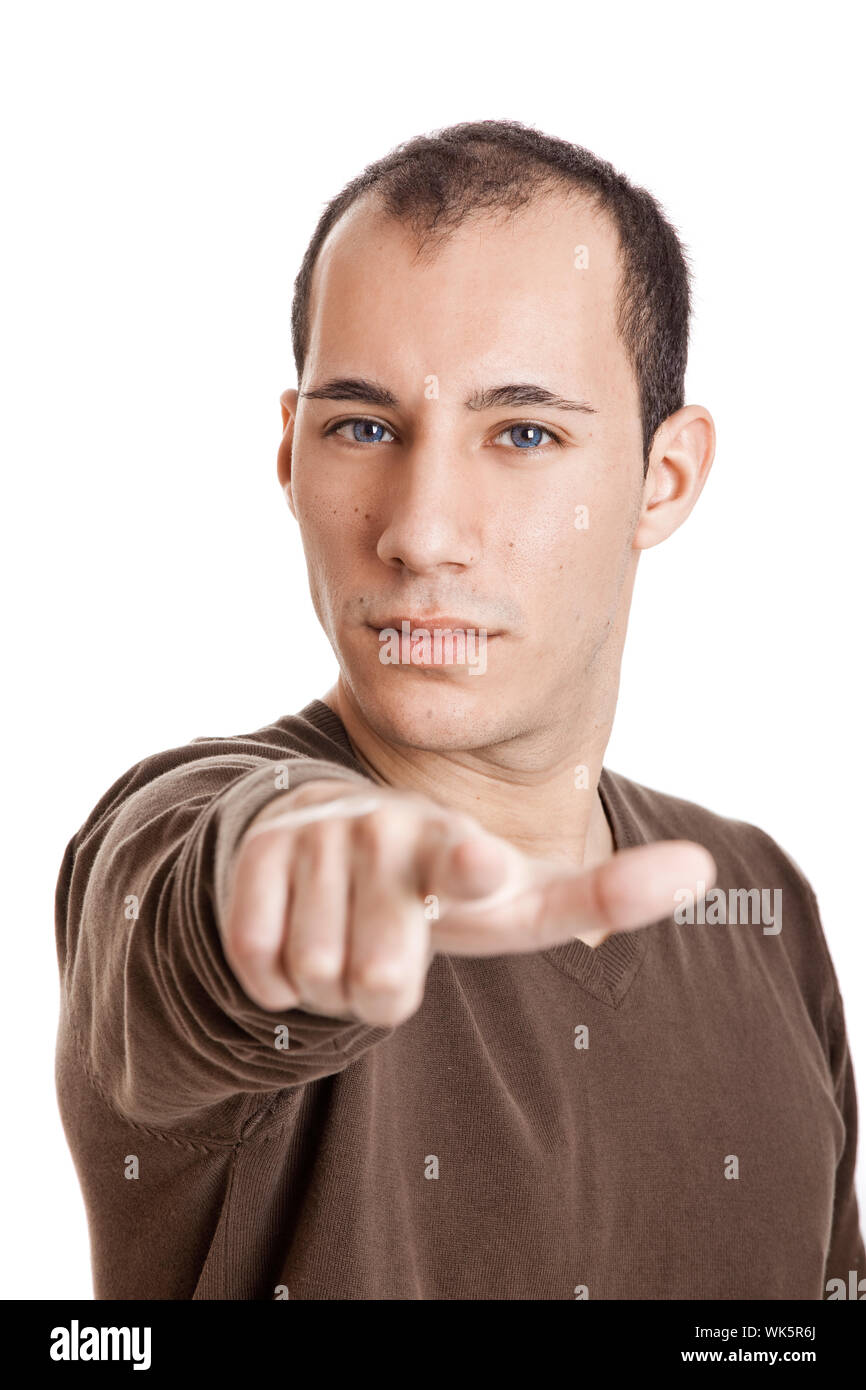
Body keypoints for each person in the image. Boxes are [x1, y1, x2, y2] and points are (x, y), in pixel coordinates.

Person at [55, 119, 864, 1300]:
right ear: (290, 453)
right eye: (363, 426)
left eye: (522, 431)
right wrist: (280, 875)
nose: (420, 528)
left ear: (663, 475)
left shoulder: (754, 901)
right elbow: (180, 911)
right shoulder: (202, 830)